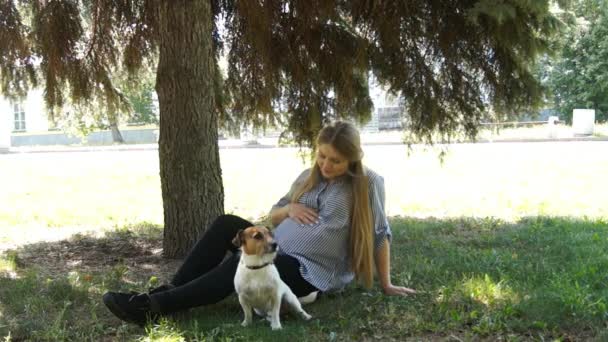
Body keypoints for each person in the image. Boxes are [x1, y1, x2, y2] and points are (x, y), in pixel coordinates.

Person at [102, 121, 416, 326]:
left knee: (247, 260)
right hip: (276, 245)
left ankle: (153, 306)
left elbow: (379, 234)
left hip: (310, 269)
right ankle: (174, 290)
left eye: (335, 160)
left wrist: (386, 284)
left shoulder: (368, 183)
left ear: (353, 158)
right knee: (228, 224)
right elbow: (274, 212)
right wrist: (290, 209)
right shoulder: (308, 177)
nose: (326, 165)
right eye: (322, 156)